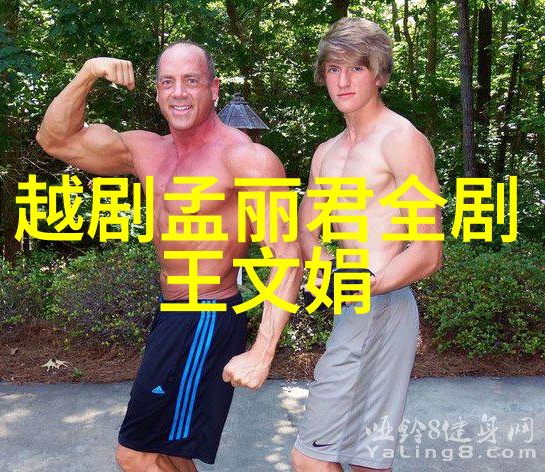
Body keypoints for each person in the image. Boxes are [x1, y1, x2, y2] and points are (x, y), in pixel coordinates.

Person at [36, 41, 302, 472]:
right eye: (168, 82)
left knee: (135, 454)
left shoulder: (245, 158)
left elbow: (288, 257)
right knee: (169, 453)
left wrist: (262, 351)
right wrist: (88, 72)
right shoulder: (146, 150)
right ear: (157, 92)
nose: (179, 92)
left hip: (207, 315)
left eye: (191, 81)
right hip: (172, 312)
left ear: (214, 89)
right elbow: (56, 139)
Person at [291, 18, 443, 472]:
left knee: (310, 458)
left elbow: (427, 251)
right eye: (333, 68)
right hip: (355, 302)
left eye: (356, 68)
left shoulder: (402, 140)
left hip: (382, 303)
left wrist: (360, 284)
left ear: (379, 75)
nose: (343, 81)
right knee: (365, 460)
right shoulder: (327, 152)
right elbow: (307, 230)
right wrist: (324, 266)